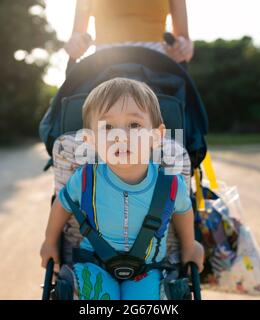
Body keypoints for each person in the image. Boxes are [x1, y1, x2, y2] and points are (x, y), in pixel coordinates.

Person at [40, 78, 204, 300]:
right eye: (107, 127)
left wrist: (189, 244)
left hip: (148, 269)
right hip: (93, 263)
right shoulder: (86, 179)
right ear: (90, 140)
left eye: (134, 125)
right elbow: (61, 204)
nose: (120, 136)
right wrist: (50, 242)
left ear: (156, 136)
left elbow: (183, 211)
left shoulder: (170, 184)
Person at [63, 0, 194, 63]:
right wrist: (76, 43)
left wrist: (183, 47)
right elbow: (77, 34)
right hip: (104, 65)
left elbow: (184, 41)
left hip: (156, 67)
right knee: (99, 113)